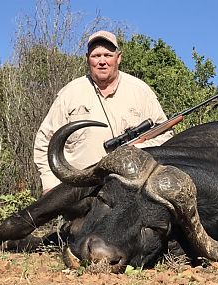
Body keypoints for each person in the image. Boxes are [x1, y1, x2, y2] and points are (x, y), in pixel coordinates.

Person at [34, 30, 173, 194]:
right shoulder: (70, 93)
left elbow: (166, 136)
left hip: (127, 191)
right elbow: (44, 141)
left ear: (118, 58)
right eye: (96, 56)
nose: (102, 61)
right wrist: (50, 183)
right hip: (78, 191)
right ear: (87, 59)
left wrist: (136, 149)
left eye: (107, 55)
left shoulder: (141, 91)